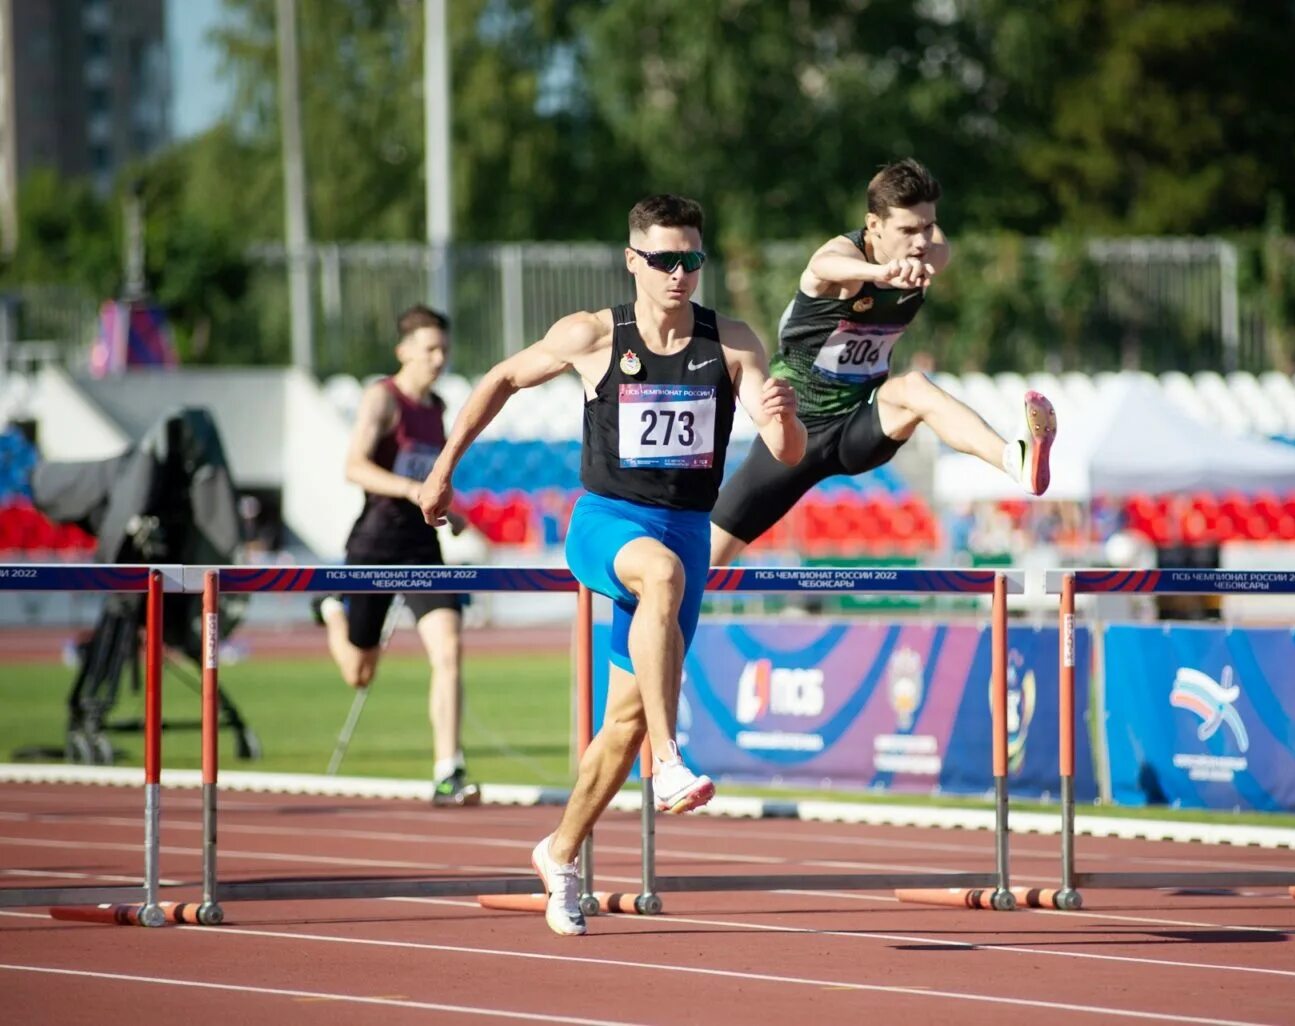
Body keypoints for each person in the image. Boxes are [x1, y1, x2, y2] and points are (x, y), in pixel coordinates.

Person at [417, 195, 806, 936]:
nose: (679, 274)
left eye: (691, 260)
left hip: (687, 529)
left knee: (621, 719)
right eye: (664, 260)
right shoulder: (593, 336)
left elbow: (785, 452)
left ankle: (560, 855)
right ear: (634, 261)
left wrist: (784, 422)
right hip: (607, 522)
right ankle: (669, 759)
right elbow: (500, 378)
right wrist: (442, 472)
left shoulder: (733, 343)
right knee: (658, 576)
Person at [710, 158, 1056, 566]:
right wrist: (880, 272)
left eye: (927, 227)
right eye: (907, 231)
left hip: (861, 425)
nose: (921, 242)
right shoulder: (845, 263)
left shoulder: (930, 258)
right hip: (793, 435)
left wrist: (919, 234)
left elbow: (935, 241)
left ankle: (1015, 460)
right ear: (873, 225)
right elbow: (823, 263)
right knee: (704, 561)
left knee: (914, 388)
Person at [312, 305, 480, 808]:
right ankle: (329, 610)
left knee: (449, 651)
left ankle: (448, 770)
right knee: (359, 672)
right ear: (403, 350)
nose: (438, 358)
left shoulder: (439, 408)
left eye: (444, 349)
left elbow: (434, 475)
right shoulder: (381, 399)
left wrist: (455, 509)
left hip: (423, 546)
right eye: (429, 349)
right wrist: (410, 488)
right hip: (375, 544)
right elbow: (354, 467)